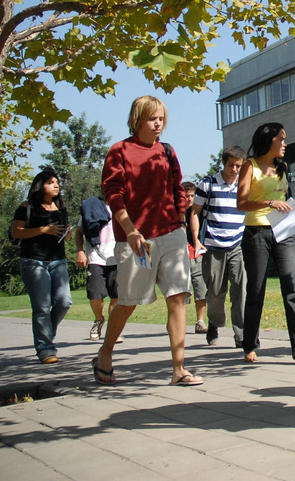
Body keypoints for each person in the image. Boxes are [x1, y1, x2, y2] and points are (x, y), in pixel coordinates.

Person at [95, 96, 202, 386]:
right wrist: (130, 230)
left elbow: (178, 188)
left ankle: (179, 369)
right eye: (153, 118)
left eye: (162, 118)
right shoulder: (120, 151)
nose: (159, 123)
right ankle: (105, 353)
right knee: (128, 302)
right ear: (139, 118)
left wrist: (180, 221)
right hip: (136, 239)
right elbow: (113, 193)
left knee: (178, 296)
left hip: (171, 234)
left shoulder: (167, 151)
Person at [237, 123, 295, 366]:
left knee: (293, 287)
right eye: (281, 139)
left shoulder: (282, 167)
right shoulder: (249, 166)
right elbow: (241, 203)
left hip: (285, 232)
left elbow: (288, 199)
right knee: (256, 290)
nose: (285, 144)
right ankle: (250, 345)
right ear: (269, 140)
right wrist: (269, 202)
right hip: (257, 233)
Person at [12, 170, 73, 364]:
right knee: (42, 307)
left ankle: (46, 334)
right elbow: (17, 232)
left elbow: (64, 230)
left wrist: (67, 234)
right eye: (50, 182)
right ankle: (45, 349)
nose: (56, 185)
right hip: (34, 261)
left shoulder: (60, 207)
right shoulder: (27, 206)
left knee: (64, 302)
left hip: (58, 260)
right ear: (40, 185)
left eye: (57, 182)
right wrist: (44, 230)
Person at [191, 146, 247, 349]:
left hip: (238, 244)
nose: (234, 169)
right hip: (213, 246)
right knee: (215, 291)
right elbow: (195, 212)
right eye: (231, 165)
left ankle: (241, 333)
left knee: (241, 289)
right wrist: (196, 239)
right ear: (224, 163)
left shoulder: (244, 184)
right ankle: (214, 322)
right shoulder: (208, 183)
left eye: (238, 166)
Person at [75, 195, 118, 342]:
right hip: (96, 257)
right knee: (95, 294)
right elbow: (79, 231)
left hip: (117, 257)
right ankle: (99, 320)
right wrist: (80, 251)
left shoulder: (122, 206)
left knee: (117, 295)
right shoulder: (91, 206)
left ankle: (113, 330)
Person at [182, 182, 209, 333]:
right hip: (180, 257)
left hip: (196, 255)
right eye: (186, 196)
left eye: (192, 196)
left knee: (201, 289)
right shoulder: (174, 212)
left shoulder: (198, 212)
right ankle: (178, 322)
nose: (189, 199)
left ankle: (200, 321)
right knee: (180, 292)